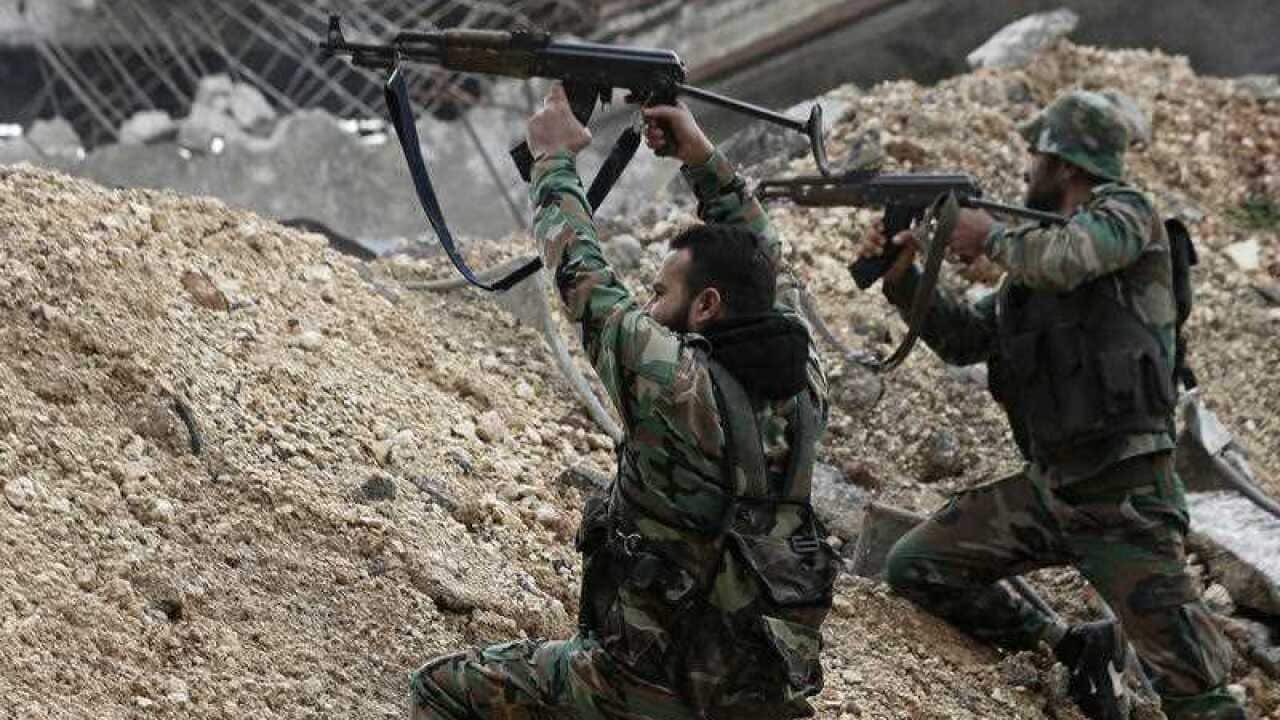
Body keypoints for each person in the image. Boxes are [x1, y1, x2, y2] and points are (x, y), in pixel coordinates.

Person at [408, 85, 838, 720]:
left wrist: (553, 158)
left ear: (706, 306)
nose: (648, 306)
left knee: (439, 686)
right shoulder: (807, 385)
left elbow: (581, 275)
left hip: (641, 694)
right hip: (753, 701)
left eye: (660, 292)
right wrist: (703, 160)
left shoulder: (674, 383)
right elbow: (768, 267)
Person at [863, 90, 1243, 720]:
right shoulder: (1032, 274)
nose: (1025, 168)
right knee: (919, 566)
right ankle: (1073, 647)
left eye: (1034, 155)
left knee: (1194, 691)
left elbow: (1070, 258)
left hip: (1125, 500)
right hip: (1053, 490)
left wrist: (990, 235)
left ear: (1064, 163)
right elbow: (964, 340)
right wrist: (905, 277)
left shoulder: (1127, 216)